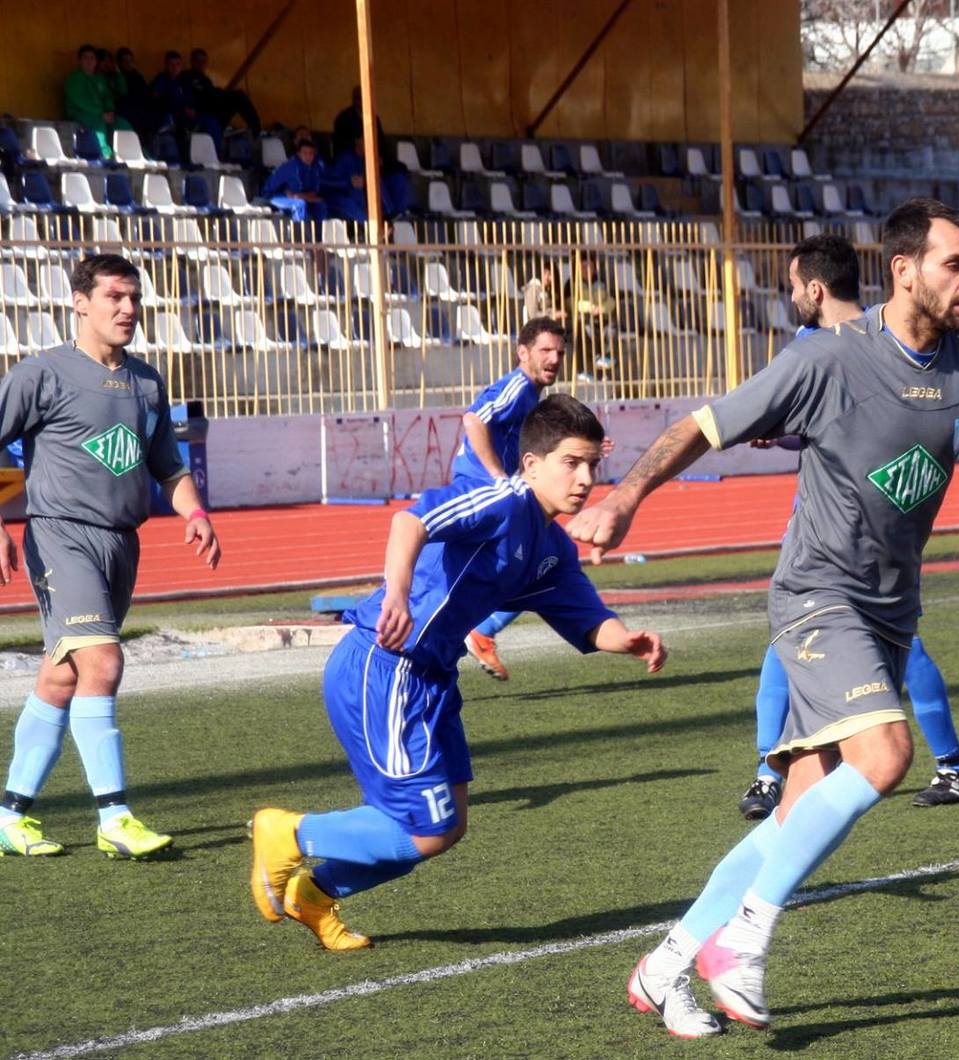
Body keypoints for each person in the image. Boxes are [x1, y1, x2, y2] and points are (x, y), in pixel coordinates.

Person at [569, 198, 959, 1036]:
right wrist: (624, 499)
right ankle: (742, 939)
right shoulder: (829, 359)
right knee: (888, 755)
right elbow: (703, 427)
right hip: (818, 595)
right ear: (904, 269)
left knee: (796, 813)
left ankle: (665, 964)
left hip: (891, 612)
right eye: (956, 263)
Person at [249, 395, 665, 951]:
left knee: (447, 827)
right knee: (424, 829)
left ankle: (316, 894)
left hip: (434, 680)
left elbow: (588, 620)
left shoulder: (552, 548)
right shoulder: (501, 500)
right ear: (531, 463)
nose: (586, 479)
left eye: (593, 464)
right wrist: (397, 594)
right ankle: (289, 832)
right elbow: (411, 520)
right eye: (572, 463)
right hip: (386, 666)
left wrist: (626, 640)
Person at [737, 233, 959, 822]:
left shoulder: (869, 343)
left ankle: (952, 764)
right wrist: (778, 432)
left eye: (794, 286)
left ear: (816, 289)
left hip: (867, 539)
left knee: (901, 649)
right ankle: (771, 773)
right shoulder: (833, 342)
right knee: (786, 647)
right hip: (822, 532)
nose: (791, 297)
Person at [0, 253, 223, 859]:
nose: (128, 310)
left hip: (122, 543)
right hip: (61, 536)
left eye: (134, 299)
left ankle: (10, 815)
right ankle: (115, 817)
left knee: (64, 674)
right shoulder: (40, 374)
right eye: (114, 298)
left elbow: (168, 467)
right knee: (103, 661)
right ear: (80, 303)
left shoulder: (147, 382)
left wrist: (196, 515)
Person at [455, 319, 568, 681]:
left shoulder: (531, 396)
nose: (554, 359)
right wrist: (498, 477)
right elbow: (473, 420)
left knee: (542, 557)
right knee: (545, 557)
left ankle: (471, 631)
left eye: (559, 352)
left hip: (491, 495)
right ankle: (480, 630)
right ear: (523, 353)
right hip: (481, 492)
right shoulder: (518, 387)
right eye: (545, 350)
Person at [63, 45, 129, 161]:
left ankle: (129, 155)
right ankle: (104, 155)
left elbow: (107, 97)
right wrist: (101, 114)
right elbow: (82, 102)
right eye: (85, 57)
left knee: (121, 123)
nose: (89, 61)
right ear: (80, 61)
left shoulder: (99, 79)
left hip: (101, 113)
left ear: (96, 61)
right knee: (98, 123)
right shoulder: (74, 79)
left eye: (92, 58)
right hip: (80, 113)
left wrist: (110, 110)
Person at [181, 48, 261, 144]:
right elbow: (202, 95)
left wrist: (221, 93)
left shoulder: (205, 80)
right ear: (192, 62)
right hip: (200, 112)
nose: (201, 64)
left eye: (204, 61)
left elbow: (211, 93)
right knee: (237, 96)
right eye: (198, 61)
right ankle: (257, 130)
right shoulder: (186, 76)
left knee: (238, 97)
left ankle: (256, 131)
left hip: (213, 111)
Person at [262, 138, 328, 223]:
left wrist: (299, 196)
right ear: (299, 154)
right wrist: (293, 195)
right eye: (305, 153)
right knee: (299, 204)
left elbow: (313, 192)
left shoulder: (314, 168)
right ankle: (299, 231)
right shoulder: (290, 167)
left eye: (311, 153)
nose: (308, 156)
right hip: (275, 197)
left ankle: (319, 231)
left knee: (320, 205)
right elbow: (270, 189)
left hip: (300, 197)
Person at [113, 48, 155, 135]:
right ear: (119, 62)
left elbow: (145, 93)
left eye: (130, 60)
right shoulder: (116, 76)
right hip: (124, 111)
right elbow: (121, 94)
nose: (128, 63)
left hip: (139, 110)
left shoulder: (136, 75)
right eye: (125, 60)